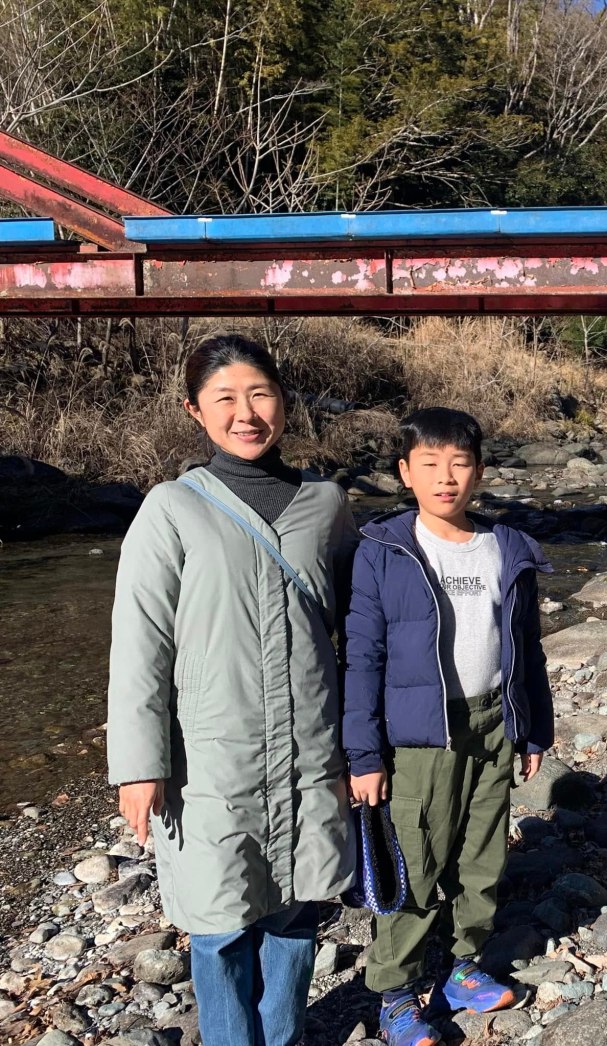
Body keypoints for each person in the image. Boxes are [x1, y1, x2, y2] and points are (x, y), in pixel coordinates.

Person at [107, 333, 358, 1046]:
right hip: (212, 758)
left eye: (260, 394)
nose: (245, 413)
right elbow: (139, 643)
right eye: (224, 399)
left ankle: (283, 1037)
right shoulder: (169, 509)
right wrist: (138, 765)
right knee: (219, 924)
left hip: (311, 749)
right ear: (195, 411)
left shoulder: (326, 503)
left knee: (300, 912)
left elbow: (365, 622)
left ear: (283, 401)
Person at [343, 407, 554, 1046]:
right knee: (415, 861)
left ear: (479, 471)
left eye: (459, 464)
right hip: (417, 735)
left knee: (482, 852)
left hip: (492, 720)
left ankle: (464, 966)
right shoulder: (384, 550)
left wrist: (534, 727)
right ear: (405, 473)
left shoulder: (504, 546)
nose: (446, 478)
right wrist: (363, 753)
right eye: (430, 465)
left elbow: (527, 647)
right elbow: (362, 654)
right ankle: (397, 994)